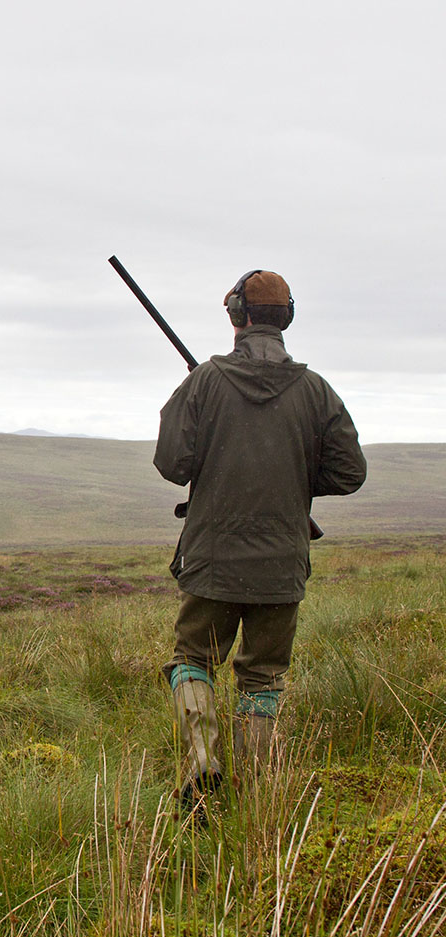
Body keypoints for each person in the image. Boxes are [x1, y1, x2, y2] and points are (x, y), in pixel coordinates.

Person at [154, 269, 366, 815]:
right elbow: (350, 473)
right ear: (285, 318)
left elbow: (171, 463)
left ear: (235, 315)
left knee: (192, 658)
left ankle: (202, 761)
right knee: (264, 675)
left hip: (212, 558)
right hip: (281, 564)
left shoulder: (203, 383)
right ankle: (256, 797)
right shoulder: (316, 390)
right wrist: (291, 476)